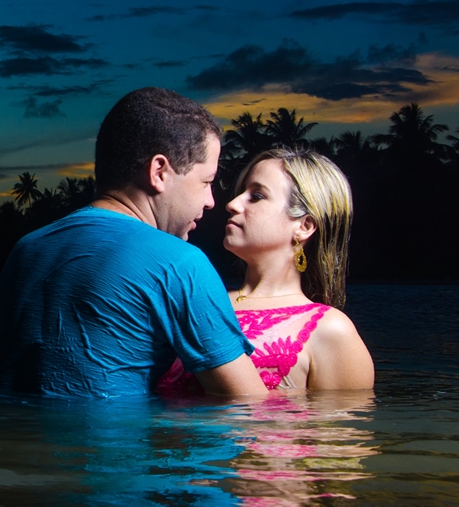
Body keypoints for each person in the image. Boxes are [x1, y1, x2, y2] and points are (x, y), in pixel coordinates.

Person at [0, 87, 267, 398]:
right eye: (206, 182)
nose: (211, 201)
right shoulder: (179, 264)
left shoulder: (25, 250)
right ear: (159, 172)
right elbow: (249, 409)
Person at [158, 149, 374, 393]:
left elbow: (335, 430)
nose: (232, 204)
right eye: (241, 193)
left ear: (304, 226)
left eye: (257, 196)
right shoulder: (200, 302)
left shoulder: (332, 331)